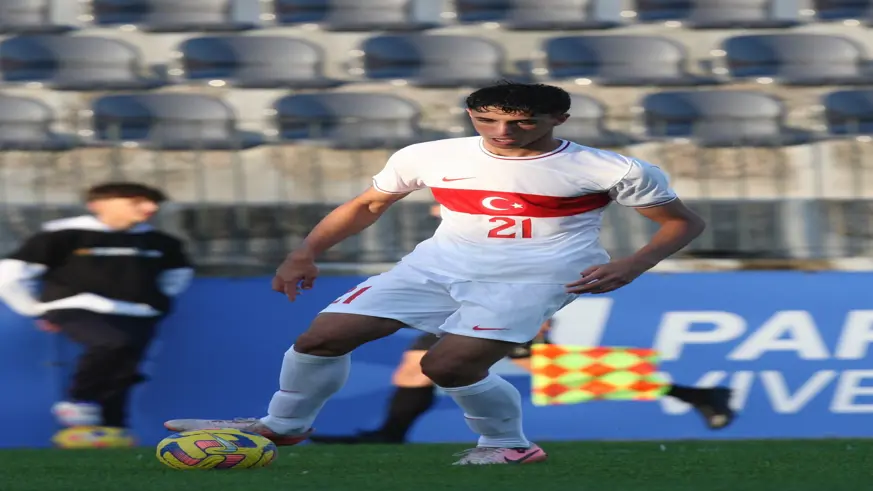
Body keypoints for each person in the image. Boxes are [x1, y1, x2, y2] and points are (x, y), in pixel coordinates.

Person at [164, 81, 708, 465]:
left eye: (521, 121)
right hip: (437, 264)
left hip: (536, 276)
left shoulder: (611, 168)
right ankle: (283, 426)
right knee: (322, 338)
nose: (501, 130)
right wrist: (305, 251)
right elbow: (368, 205)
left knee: (445, 367)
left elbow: (682, 223)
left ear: (558, 120)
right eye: (486, 119)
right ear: (471, 115)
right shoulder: (429, 155)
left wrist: (632, 264)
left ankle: (508, 445)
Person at [308, 322, 733, 445]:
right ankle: (390, 434)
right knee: (414, 368)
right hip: (463, 304)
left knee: (546, 370)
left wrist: (541, 313)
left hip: (507, 302)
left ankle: (696, 393)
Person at [0, 182, 193, 435]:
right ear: (98, 205)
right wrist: (34, 309)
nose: (150, 207)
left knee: (126, 369)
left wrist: (156, 300)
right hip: (77, 308)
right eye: (136, 201)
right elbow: (10, 274)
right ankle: (79, 401)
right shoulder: (63, 235)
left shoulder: (160, 242)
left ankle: (111, 429)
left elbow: (177, 275)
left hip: (140, 314)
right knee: (112, 342)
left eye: (153, 202)